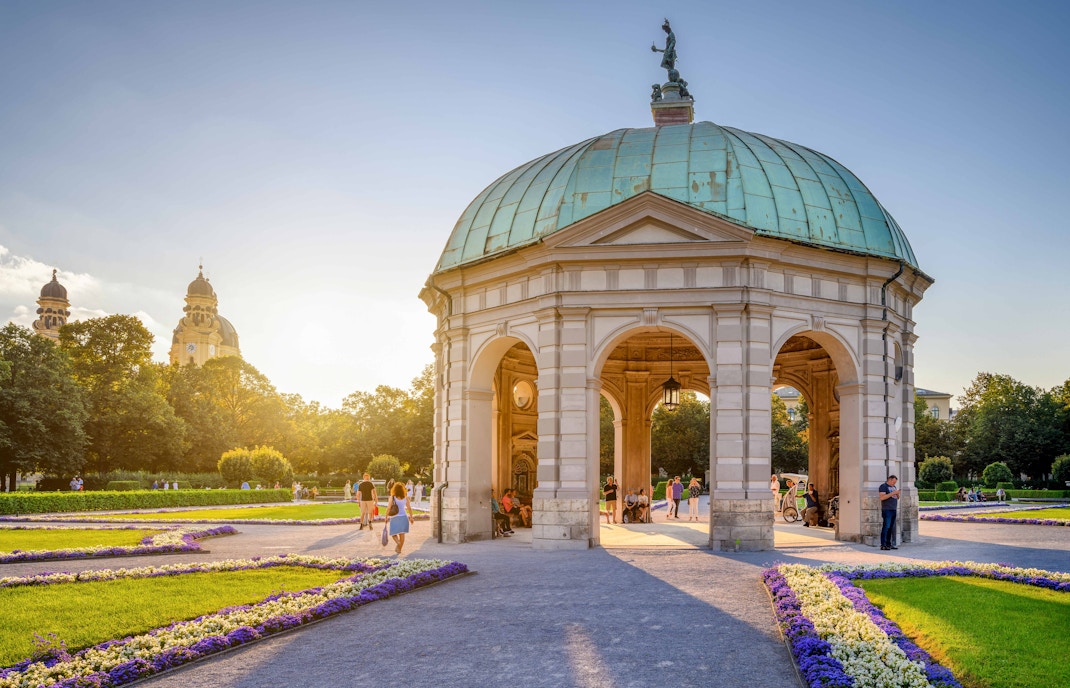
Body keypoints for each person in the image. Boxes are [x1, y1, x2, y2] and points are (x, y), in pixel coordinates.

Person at [386, 482, 414, 555]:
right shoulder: (405, 497)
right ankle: (399, 549)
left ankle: (398, 543)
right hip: (404, 517)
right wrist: (411, 517)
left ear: (394, 489)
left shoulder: (392, 497)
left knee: (393, 533)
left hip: (394, 517)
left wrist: (386, 517)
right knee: (402, 534)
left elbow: (389, 508)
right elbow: (409, 508)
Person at [879, 475, 901, 551]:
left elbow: (897, 498)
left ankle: (889, 544)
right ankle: (883, 544)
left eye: (895, 482)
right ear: (889, 480)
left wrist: (897, 493)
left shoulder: (894, 487)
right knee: (886, 527)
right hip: (887, 509)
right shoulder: (883, 486)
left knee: (891, 528)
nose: (894, 483)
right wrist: (893, 493)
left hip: (893, 509)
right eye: (893, 482)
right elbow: (882, 497)